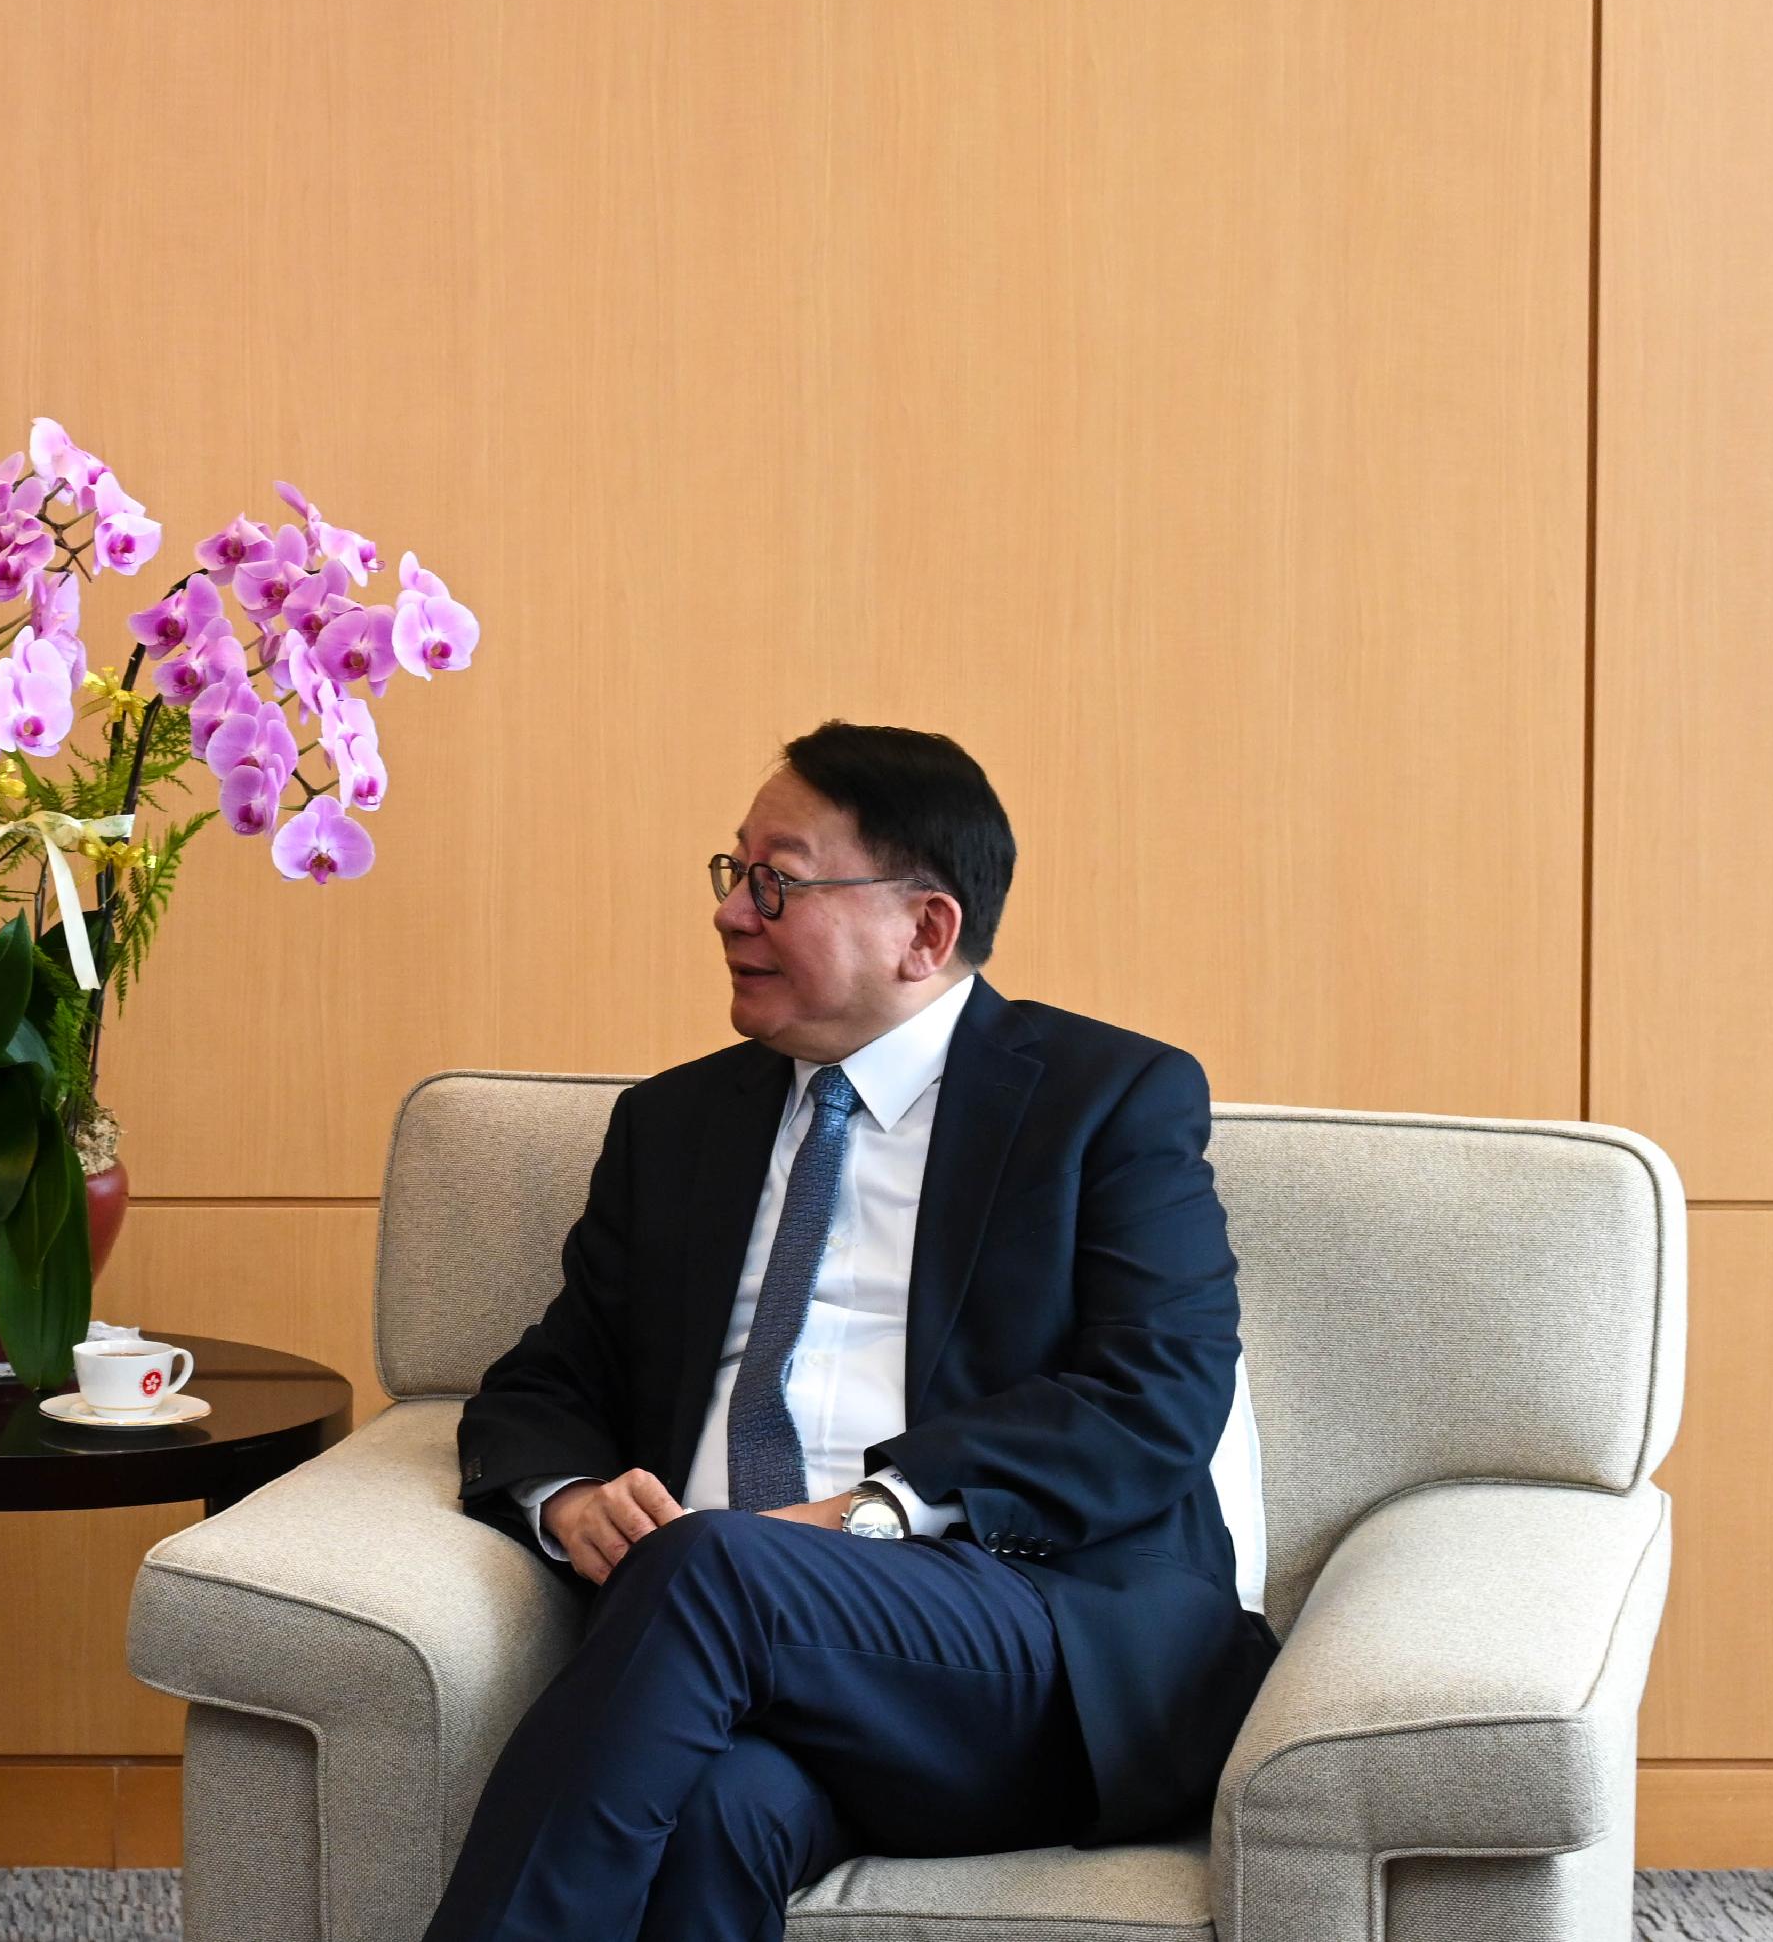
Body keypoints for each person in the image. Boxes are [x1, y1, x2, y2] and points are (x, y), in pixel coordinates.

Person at [429, 722, 1275, 1942]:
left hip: (1036, 1641)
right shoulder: (673, 1127)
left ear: (925, 931)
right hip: (737, 1660)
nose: (731, 913)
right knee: (717, 1814)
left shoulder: (1106, 1100)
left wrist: (866, 1516)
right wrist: (568, 1497)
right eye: (731, 874)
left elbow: (1157, 1393)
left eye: (776, 880)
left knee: (711, 1564)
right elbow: (541, 1382)